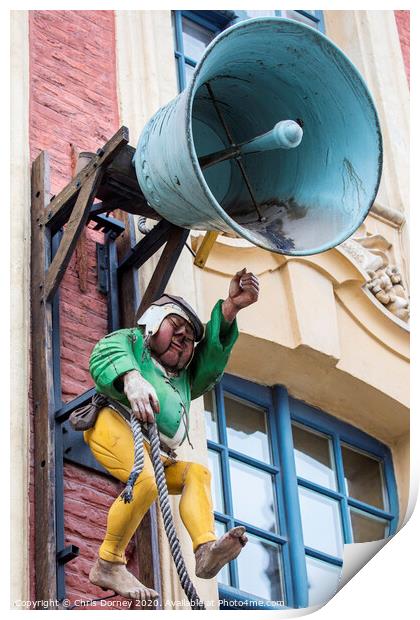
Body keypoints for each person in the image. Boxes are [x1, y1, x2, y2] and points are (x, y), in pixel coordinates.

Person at [84, 268, 259, 601]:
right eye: (175, 328)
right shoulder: (134, 343)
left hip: (154, 449)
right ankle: (108, 562)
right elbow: (107, 352)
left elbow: (211, 357)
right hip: (113, 422)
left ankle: (205, 548)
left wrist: (231, 309)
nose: (183, 338)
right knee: (146, 482)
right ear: (153, 323)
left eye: (189, 338)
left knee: (198, 473)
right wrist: (131, 378)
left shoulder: (185, 378)